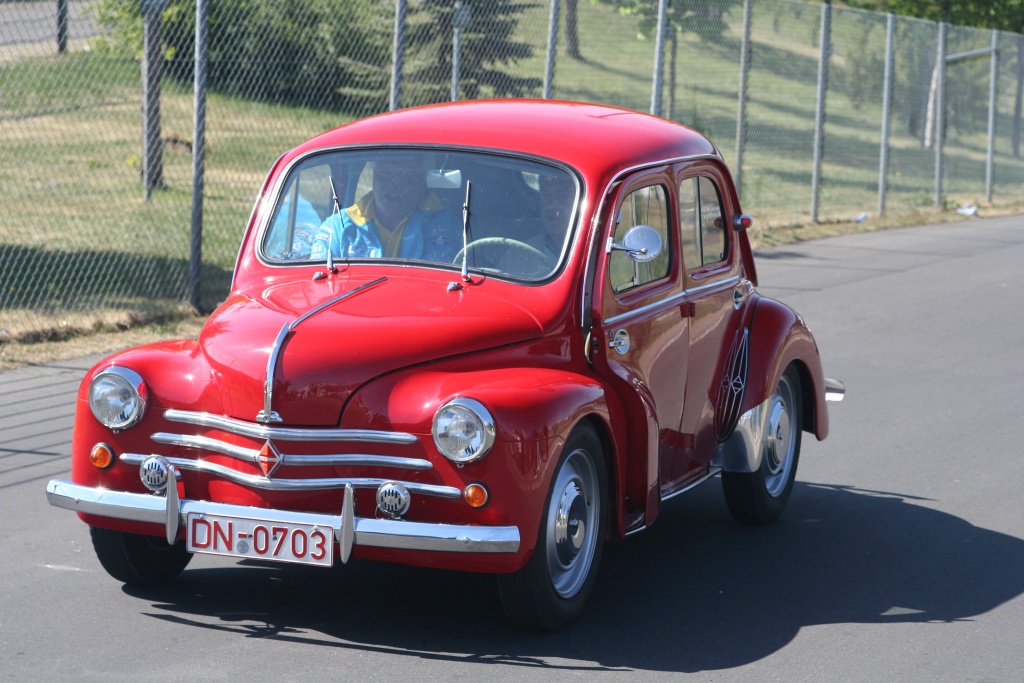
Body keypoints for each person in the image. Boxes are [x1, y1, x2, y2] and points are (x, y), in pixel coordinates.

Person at [310, 155, 461, 263]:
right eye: (384, 173)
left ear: (422, 184)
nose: (392, 185)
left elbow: (433, 285)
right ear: (374, 175)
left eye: (405, 177)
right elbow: (318, 280)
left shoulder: (443, 224)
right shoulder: (339, 226)